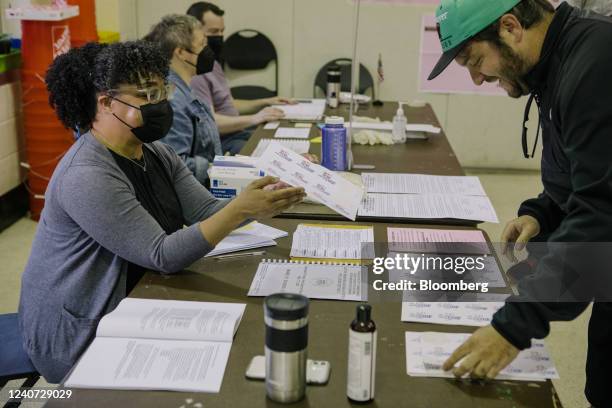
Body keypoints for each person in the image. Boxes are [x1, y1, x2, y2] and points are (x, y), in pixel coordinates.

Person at [18, 41, 305, 383]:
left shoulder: (155, 151)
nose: (161, 104)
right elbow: (161, 254)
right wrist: (240, 210)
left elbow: (206, 210)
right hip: (77, 331)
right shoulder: (87, 174)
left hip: (138, 296)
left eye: (162, 91)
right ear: (106, 103)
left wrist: (265, 195)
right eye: (147, 95)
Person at [428, 1, 612, 406]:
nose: (477, 79)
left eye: (475, 61)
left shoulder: (595, 64)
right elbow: (584, 175)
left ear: (511, 27)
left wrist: (513, 327)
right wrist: (541, 213)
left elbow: (602, 220)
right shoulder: (560, 63)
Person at [187, 2, 294, 155]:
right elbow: (209, 123)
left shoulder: (213, 63)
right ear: (195, 32)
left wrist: (266, 102)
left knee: (286, 147)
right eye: (213, 31)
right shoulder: (196, 72)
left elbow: (229, 105)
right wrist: (254, 119)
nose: (219, 36)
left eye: (221, 31)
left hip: (237, 133)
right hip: (222, 143)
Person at [143, 14, 221, 186]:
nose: (207, 51)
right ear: (180, 52)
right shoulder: (173, 100)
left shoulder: (184, 88)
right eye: (202, 44)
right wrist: (219, 170)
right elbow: (177, 164)